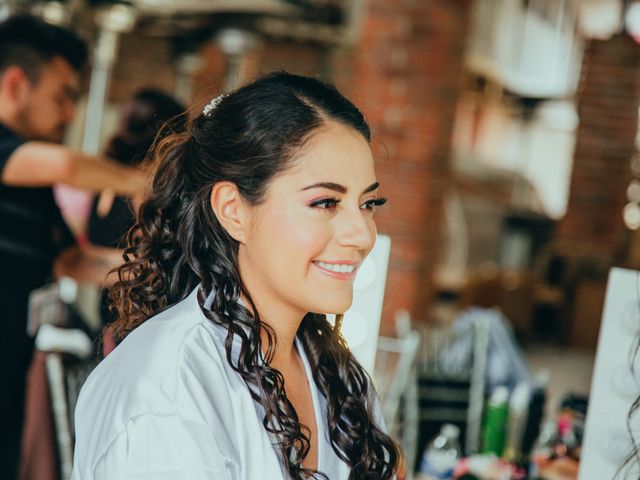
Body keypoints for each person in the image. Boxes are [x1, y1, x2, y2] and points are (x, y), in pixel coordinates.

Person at [71, 71, 401, 479]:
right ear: (233, 210)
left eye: (369, 203)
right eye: (325, 202)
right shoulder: (167, 386)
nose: (362, 234)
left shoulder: (336, 376)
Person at [0, 14, 146, 478]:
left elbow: (70, 259)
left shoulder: (32, 186)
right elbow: (65, 164)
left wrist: (153, 273)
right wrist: (140, 181)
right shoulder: (24, 159)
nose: (70, 114)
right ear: (16, 84)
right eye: (64, 97)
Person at [54, 89, 186, 325]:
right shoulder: (146, 191)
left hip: (116, 315)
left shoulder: (106, 182)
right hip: (134, 318)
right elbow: (151, 266)